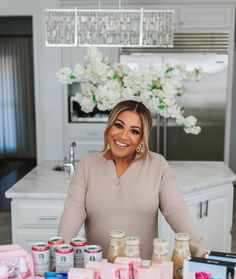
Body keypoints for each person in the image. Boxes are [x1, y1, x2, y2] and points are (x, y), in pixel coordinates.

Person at [58, 100, 208, 259]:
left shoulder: (157, 165)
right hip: (98, 270)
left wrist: (200, 251)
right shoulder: (87, 165)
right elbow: (73, 212)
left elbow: (176, 211)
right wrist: (60, 252)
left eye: (134, 131)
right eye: (119, 126)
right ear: (109, 126)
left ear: (142, 138)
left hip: (144, 271)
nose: (123, 136)